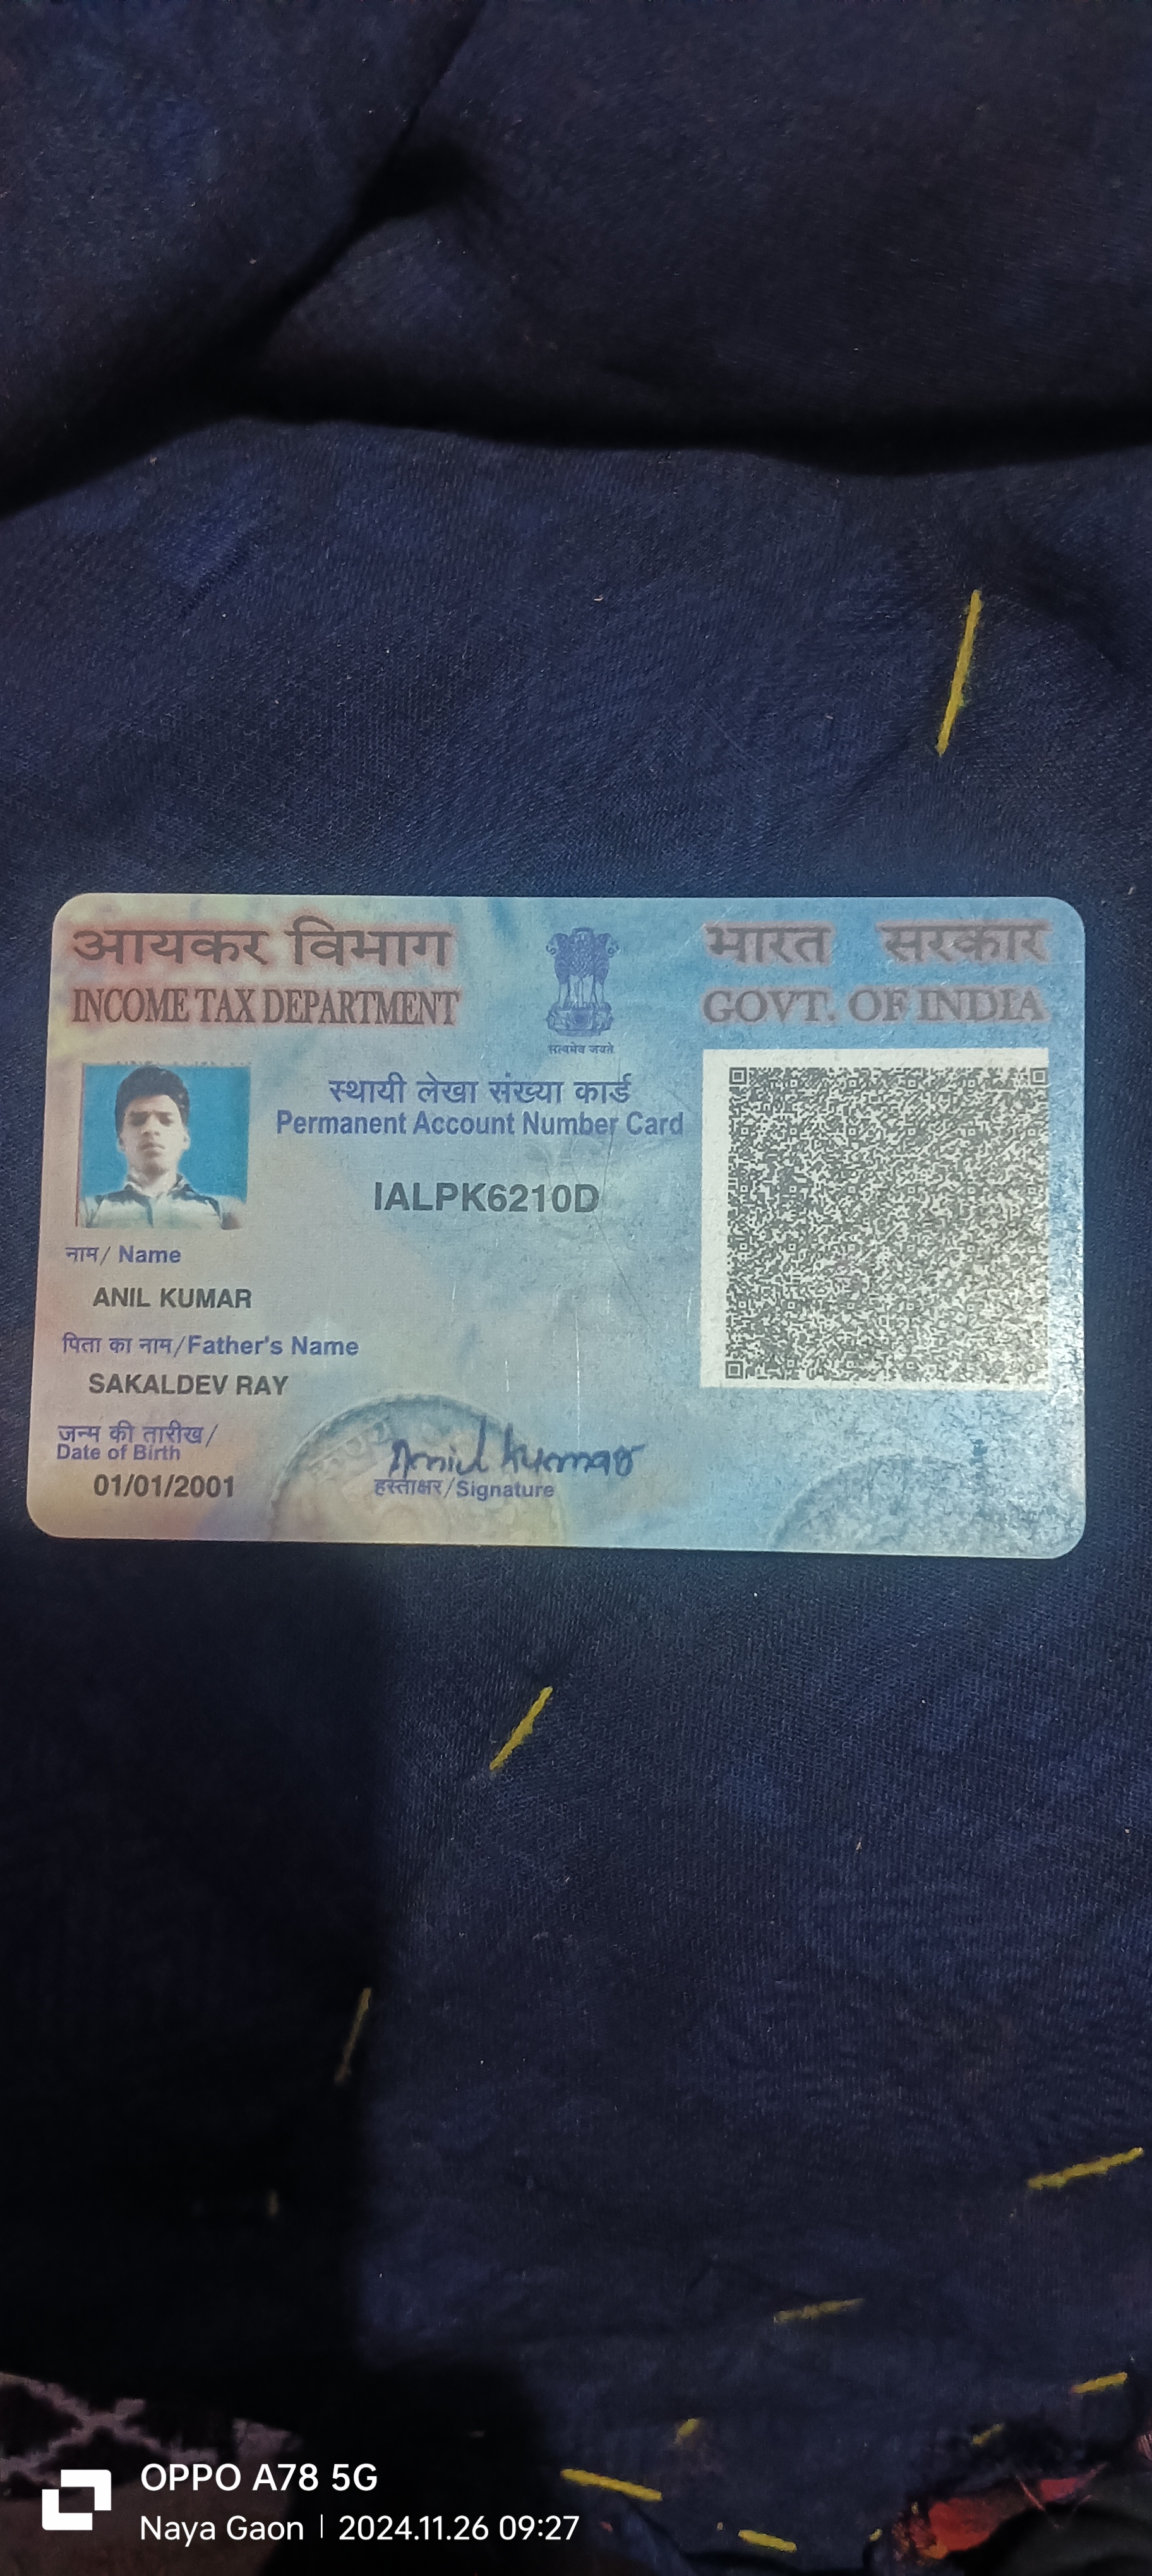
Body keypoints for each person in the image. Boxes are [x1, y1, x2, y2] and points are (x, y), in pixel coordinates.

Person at [80, 1065, 241, 1229]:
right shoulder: (89, 1212)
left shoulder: (224, 1212)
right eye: (138, 1121)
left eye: (166, 1120)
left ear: (185, 1138)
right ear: (121, 1140)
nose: (151, 1129)